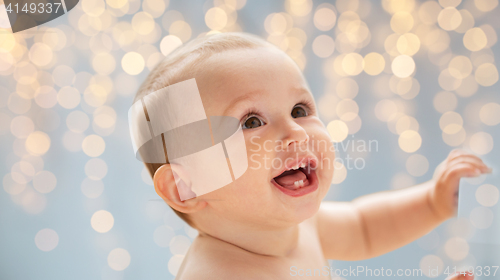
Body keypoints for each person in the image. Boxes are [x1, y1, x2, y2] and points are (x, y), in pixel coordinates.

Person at [132, 32, 492, 279]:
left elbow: (364, 228)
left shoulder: (299, 227)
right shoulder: (219, 275)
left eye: (300, 110)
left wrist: (433, 202)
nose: (296, 132)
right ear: (185, 186)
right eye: (252, 121)